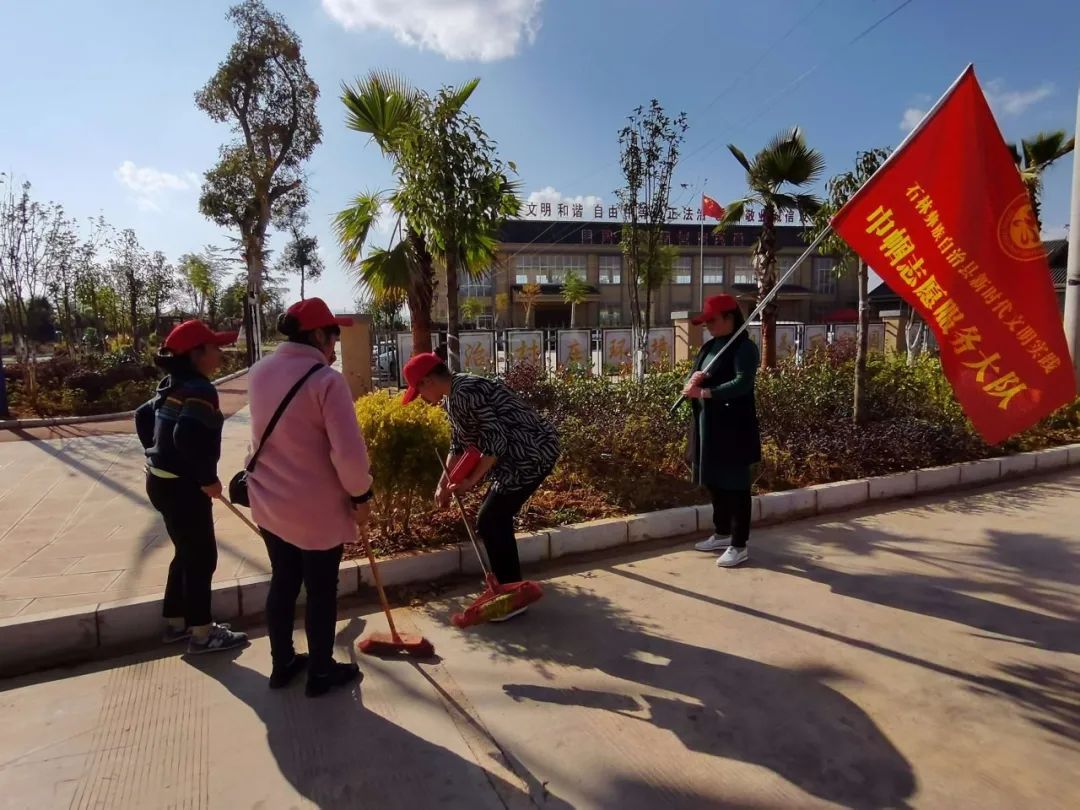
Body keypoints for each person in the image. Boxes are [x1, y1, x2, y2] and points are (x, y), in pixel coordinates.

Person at [247, 298, 373, 697]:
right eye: (333, 335)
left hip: (269, 502)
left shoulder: (258, 372)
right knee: (320, 590)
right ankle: (320, 670)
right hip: (314, 510)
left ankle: (282, 663)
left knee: (283, 581)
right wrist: (362, 494)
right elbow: (349, 454)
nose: (334, 345)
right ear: (318, 335)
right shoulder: (326, 380)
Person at [402, 353, 559, 621]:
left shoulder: (465, 392)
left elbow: (495, 442)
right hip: (517, 457)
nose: (424, 399)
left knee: (491, 519)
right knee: (494, 519)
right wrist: (444, 484)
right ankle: (511, 587)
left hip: (531, 454)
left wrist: (469, 482)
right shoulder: (454, 395)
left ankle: (512, 595)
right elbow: (458, 445)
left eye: (420, 392)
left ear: (428, 381)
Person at [136, 320, 249, 654]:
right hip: (184, 488)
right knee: (202, 557)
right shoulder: (200, 389)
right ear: (196, 354)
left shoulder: (172, 384)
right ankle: (202, 633)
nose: (220, 352)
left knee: (186, 552)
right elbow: (185, 437)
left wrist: (156, 454)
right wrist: (205, 479)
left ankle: (175, 621)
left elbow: (143, 416)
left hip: (159, 482)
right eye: (214, 347)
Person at [683, 294, 762, 568]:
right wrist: (692, 381)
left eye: (713, 321)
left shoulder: (744, 348)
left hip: (734, 429)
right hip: (708, 428)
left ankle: (739, 545)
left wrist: (705, 392)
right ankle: (722, 533)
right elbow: (693, 376)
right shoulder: (709, 347)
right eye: (705, 322)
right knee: (715, 482)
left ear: (730, 318)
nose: (708, 326)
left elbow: (743, 383)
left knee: (736, 486)